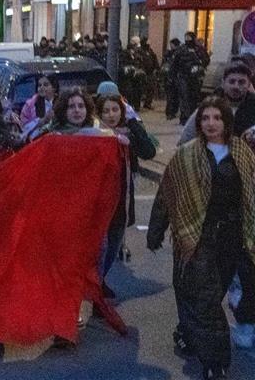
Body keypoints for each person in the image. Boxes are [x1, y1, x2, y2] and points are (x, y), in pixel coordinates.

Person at [148, 97, 255, 380]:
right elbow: (167, 193)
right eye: (205, 118)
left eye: (217, 118)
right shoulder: (186, 155)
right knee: (205, 300)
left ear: (226, 122)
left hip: (231, 237)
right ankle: (215, 362)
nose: (211, 123)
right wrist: (156, 230)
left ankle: (187, 331)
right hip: (197, 235)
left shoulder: (242, 152)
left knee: (210, 296)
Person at [96, 93, 156, 288]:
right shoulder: (94, 135)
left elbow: (149, 151)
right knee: (101, 246)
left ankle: (99, 282)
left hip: (121, 201)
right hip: (99, 202)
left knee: (114, 245)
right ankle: (96, 286)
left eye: (115, 110)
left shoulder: (128, 133)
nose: (111, 115)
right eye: (106, 111)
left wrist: (133, 122)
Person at [20, 74, 58, 140]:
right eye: (39, 85)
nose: (41, 87)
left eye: (45, 85)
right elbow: (22, 128)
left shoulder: (61, 103)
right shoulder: (29, 105)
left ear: (54, 88)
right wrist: (41, 121)